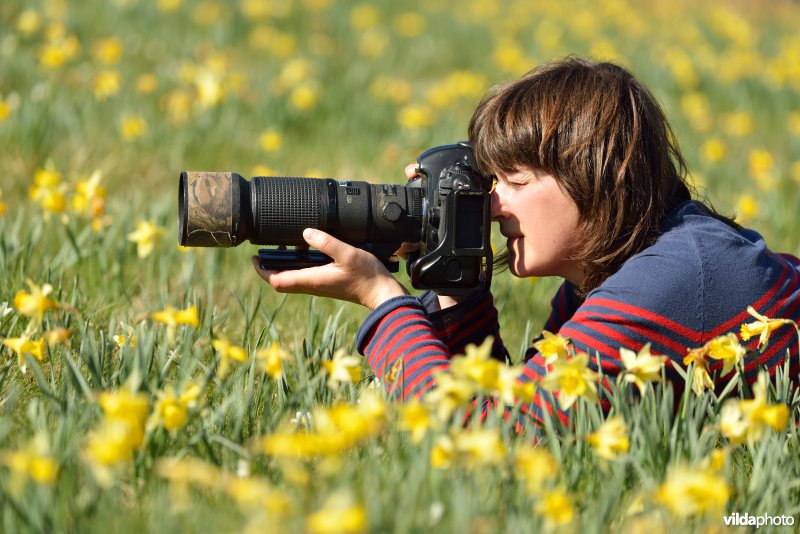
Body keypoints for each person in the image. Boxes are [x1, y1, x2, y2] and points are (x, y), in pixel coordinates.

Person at [251, 56, 800, 425]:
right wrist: (452, 284)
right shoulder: (612, 271)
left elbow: (492, 444)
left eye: (514, 181)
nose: (492, 204)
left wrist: (383, 300)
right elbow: (526, 406)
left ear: (597, 176)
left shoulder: (670, 280)